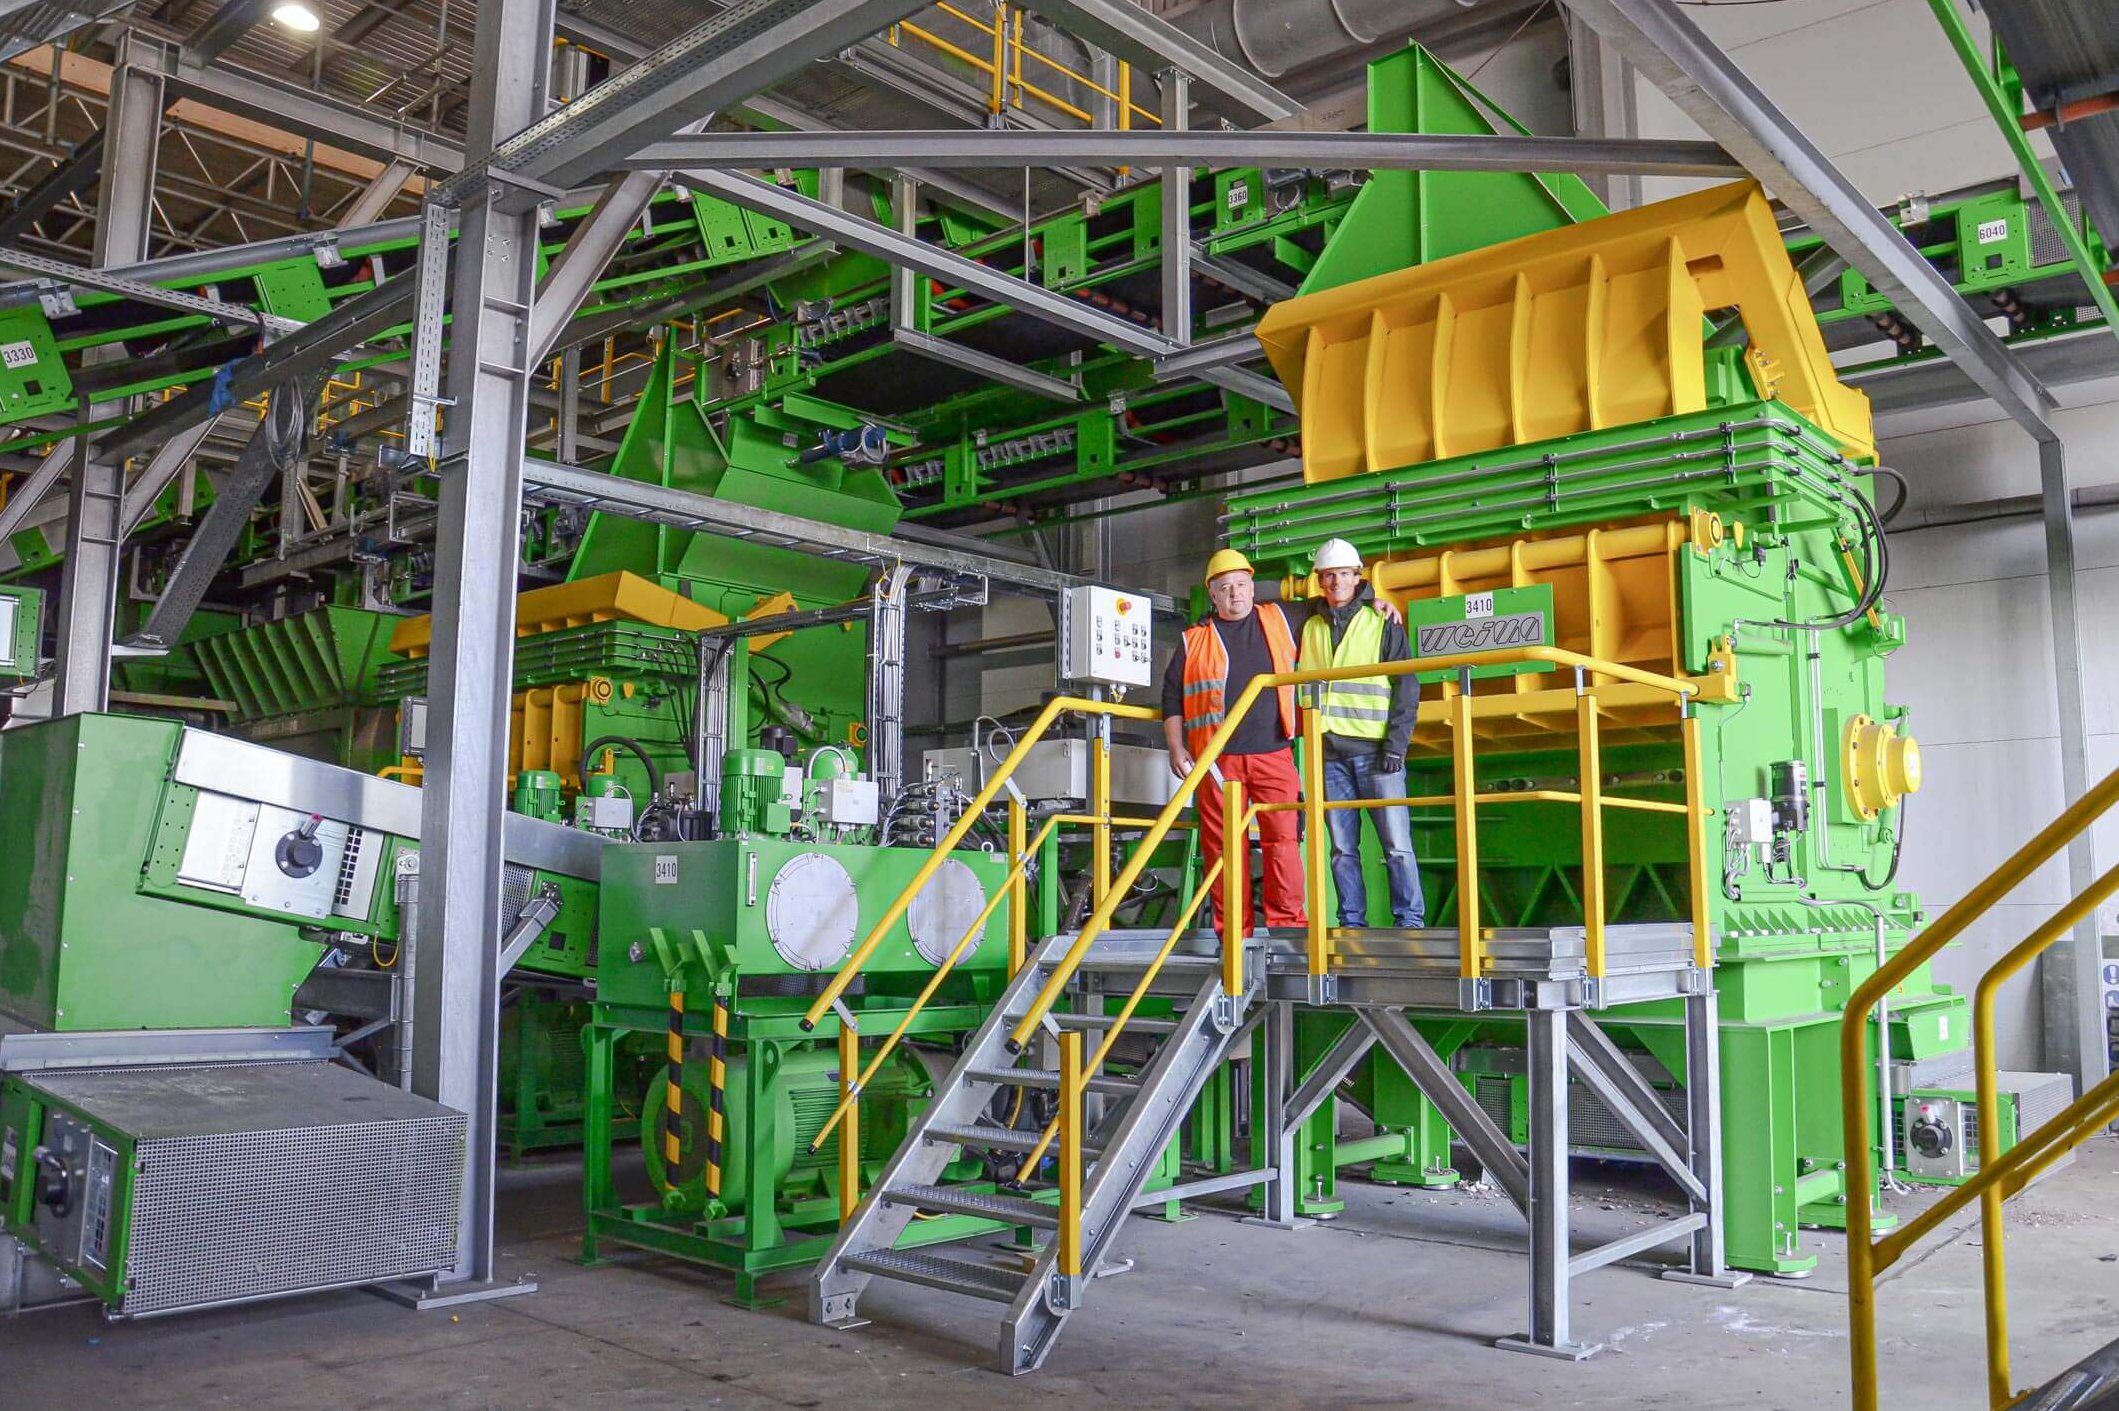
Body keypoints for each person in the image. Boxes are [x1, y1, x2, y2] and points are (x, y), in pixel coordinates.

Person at [1161, 548, 1307, 935]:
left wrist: (1372, 599)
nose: (1235, 593)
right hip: (1217, 761)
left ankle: (1288, 928)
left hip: (1274, 752)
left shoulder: (1280, 618)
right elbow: (1171, 697)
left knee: (1284, 842)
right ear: (1212, 594)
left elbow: (1333, 607)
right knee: (1224, 850)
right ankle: (1234, 936)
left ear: (1252, 587)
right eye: (1225, 587)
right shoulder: (1193, 641)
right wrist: (1176, 747)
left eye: (1241, 584)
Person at [1297, 538, 1424, 929]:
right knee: (1341, 849)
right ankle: (1351, 922)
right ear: (1320, 581)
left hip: (1377, 752)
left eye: (1343, 574)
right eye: (1328, 576)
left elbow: (1407, 687)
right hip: (1328, 752)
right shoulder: (1310, 625)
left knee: (1397, 845)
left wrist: (1396, 746)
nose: (1336, 582)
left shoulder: (1382, 622)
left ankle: (1410, 921)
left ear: (1358, 577)